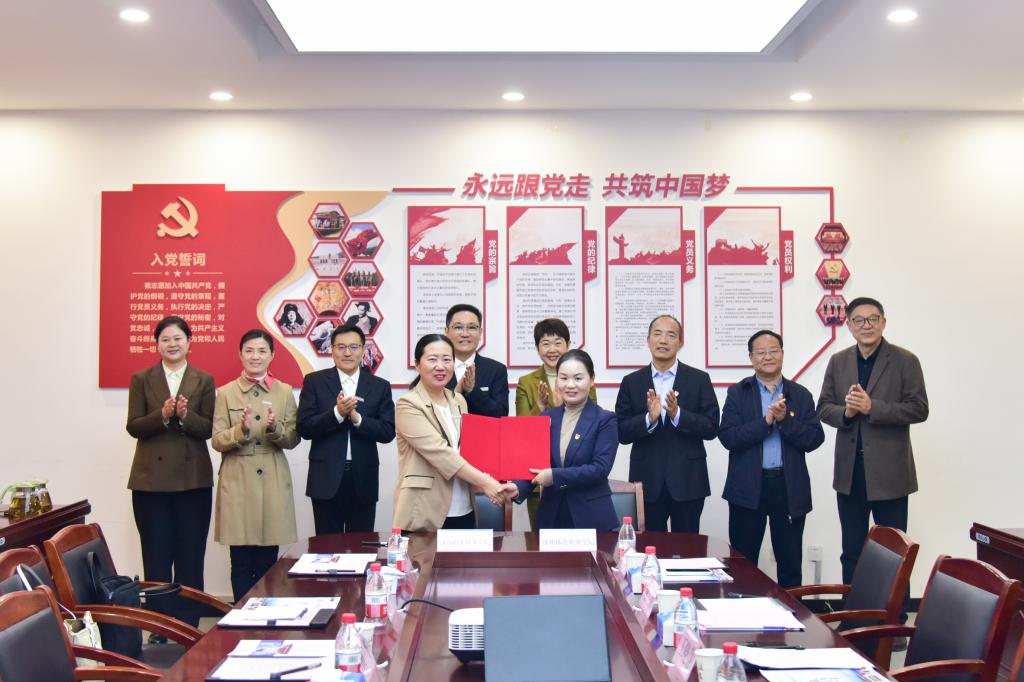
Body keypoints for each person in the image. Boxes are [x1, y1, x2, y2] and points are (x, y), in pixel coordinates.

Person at [817, 297, 929, 583]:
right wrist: (847, 412)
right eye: (859, 320)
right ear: (849, 325)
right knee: (851, 551)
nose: (866, 325)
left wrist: (872, 407)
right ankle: (853, 610)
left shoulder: (905, 360)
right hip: (850, 473)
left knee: (894, 553)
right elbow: (824, 408)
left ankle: (896, 610)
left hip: (890, 474)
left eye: (873, 319)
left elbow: (919, 409)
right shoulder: (838, 361)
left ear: (883, 322)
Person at [125, 315, 214, 628]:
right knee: (156, 555)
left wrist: (185, 415)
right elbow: (133, 426)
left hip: (193, 481)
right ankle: (160, 624)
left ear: (189, 342)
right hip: (151, 481)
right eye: (165, 339)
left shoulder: (204, 379)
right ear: (157, 345)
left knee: (191, 554)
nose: (172, 344)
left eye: (178, 338)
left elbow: (208, 429)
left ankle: (189, 623)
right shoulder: (141, 378)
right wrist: (162, 415)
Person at [718, 330, 825, 588]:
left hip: (788, 487)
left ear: (782, 354)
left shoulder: (800, 394)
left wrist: (785, 420)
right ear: (751, 358)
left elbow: (814, 439)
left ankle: (791, 611)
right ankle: (741, 609)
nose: (768, 357)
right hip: (747, 488)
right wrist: (766, 422)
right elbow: (728, 437)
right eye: (761, 352)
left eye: (773, 350)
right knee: (742, 562)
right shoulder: (738, 393)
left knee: (790, 563)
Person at [211, 330, 300, 602]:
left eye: (262, 351)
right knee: (240, 560)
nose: (255, 356)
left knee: (267, 560)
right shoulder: (226, 392)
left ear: (272, 355)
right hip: (237, 480)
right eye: (249, 350)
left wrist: (275, 429)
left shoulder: (284, 391)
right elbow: (217, 440)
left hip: (272, 477)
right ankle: (240, 615)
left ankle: (266, 615)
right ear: (240, 354)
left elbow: (293, 439)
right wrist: (241, 430)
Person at [614, 315, 719, 533]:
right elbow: (621, 432)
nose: (663, 340)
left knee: (687, 548)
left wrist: (678, 414)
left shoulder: (699, 379)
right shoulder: (631, 381)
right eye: (657, 334)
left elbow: (711, 426)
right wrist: (648, 419)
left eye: (671, 335)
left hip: (689, 481)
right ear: (648, 340)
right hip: (647, 480)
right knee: (651, 547)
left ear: (680, 342)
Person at [393, 334, 507, 531]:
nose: (440, 366)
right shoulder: (408, 404)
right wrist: (486, 482)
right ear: (417, 364)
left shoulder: (458, 400)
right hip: (425, 509)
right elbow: (440, 453)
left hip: (463, 506)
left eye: (447, 359)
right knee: (423, 554)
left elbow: (468, 448)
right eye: (432, 359)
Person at [298, 324, 396, 535]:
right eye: (341, 347)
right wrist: (337, 413)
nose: (347, 353)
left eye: (354, 347)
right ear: (332, 350)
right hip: (325, 478)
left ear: (363, 350)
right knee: (326, 547)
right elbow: (304, 427)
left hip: (364, 477)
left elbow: (388, 432)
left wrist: (357, 419)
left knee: (361, 545)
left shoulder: (379, 385)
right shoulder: (314, 382)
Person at [509, 350, 618, 531]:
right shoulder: (547, 417)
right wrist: (518, 487)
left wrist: (555, 476)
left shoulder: (605, 420)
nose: (570, 385)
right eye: (564, 378)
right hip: (551, 517)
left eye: (578, 378)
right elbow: (534, 464)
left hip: (590, 518)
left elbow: (599, 469)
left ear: (592, 380)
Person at [514, 318, 596, 529]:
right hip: (536, 478)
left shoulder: (583, 380)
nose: (552, 349)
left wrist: (564, 407)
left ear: (568, 345)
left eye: (558, 342)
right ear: (537, 348)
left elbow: (591, 425)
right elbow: (522, 431)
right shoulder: (526, 382)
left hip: (577, 478)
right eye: (545, 343)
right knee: (540, 538)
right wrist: (541, 408)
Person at [443, 303, 509, 418]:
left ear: (480, 332)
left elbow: (501, 414)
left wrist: (472, 391)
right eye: (458, 327)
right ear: (447, 331)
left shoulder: (496, 370)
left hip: (482, 430)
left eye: (472, 327)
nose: (465, 334)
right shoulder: (437, 368)